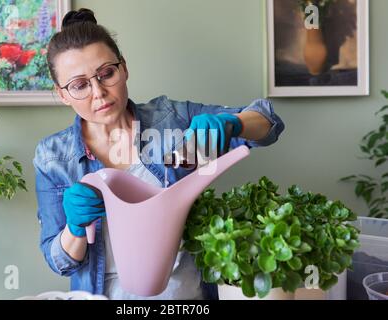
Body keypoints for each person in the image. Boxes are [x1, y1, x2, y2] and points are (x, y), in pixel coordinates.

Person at [33, 8, 285, 300]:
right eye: (79, 85)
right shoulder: (53, 156)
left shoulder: (172, 120)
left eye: (106, 74)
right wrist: (74, 230)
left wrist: (235, 123)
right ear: (63, 94)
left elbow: (269, 122)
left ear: (123, 68)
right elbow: (59, 262)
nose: (98, 92)